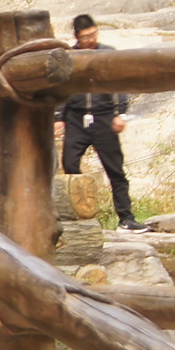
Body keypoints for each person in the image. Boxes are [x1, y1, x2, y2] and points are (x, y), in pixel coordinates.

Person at [57, 14, 140, 230]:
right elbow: (61, 89)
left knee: (116, 170)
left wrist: (121, 114)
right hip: (75, 117)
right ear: (76, 37)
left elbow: (120, 86)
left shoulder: (107, 53)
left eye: (93, 34)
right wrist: (58, 118)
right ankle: (74, 214)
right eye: (85, 37)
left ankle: (126, 218)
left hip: (104, 117)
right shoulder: (68, 56)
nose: (90, 39)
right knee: (70, 164)